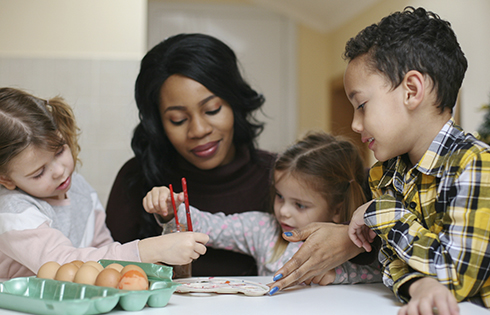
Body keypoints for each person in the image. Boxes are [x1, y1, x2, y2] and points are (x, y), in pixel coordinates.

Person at [105, 33, 366, 277]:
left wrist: (346, 240)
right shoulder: (136, 178)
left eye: (212, 109)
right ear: (158, 124)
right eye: (178, 119)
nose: (199, 130)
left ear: (235, 103)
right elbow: (108, 268)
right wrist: (169, 215)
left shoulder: (285, 176)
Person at [344, 7, 490, 315]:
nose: (355, 124)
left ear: (412, 90)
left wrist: (379, 211)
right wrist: (418, 285)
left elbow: (455, 275)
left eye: (362, 105)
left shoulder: (476, 166)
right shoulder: (386, 174)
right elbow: (392, 260)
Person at [0, 87, 209, 279]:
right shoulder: (13, 215)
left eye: (60, 151)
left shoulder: (78, 186)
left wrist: (165, 229)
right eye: (39, 172)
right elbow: (64, 265)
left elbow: (103, 250)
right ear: (4, 180)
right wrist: (148, 249)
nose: (60, 172)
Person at [144, 132, 381, 292]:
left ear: (337, 209)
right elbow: (211, 226)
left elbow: (382, 273)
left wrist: (336, 275)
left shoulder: (354, 243)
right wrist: (172, 209)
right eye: (279, 196)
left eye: (300, 205)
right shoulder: (263, 229)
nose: (284, 212)